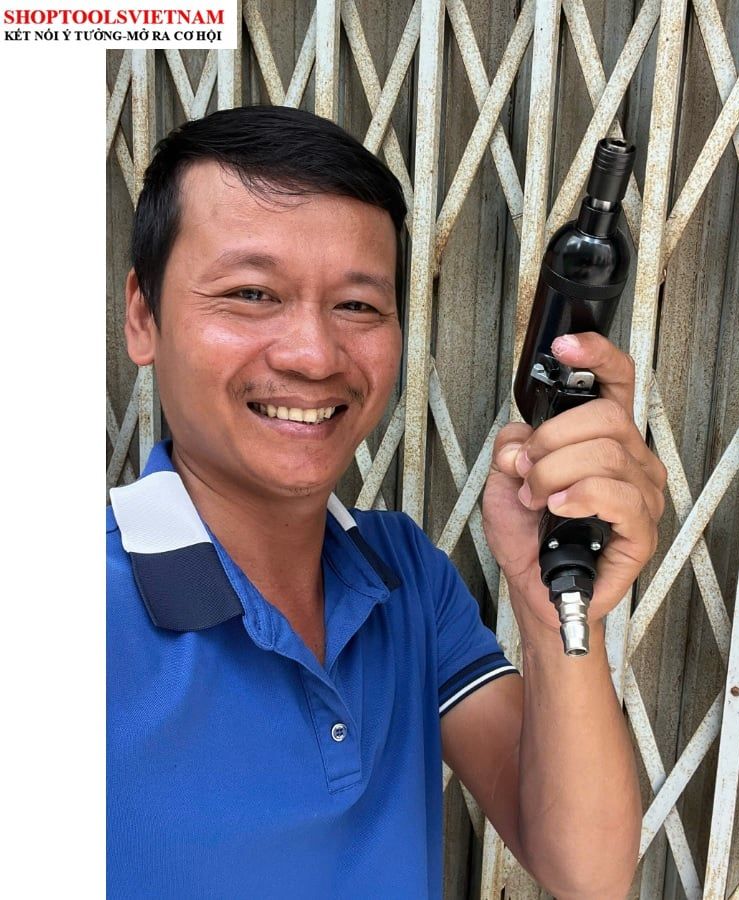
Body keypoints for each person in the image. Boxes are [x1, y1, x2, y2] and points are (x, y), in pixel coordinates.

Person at [107, 105, 666, 899]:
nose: (313, 355)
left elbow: (587, 872)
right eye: (252, 293)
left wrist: (553, 605)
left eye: (358, 306)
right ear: (143, 316)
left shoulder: (403, 574)